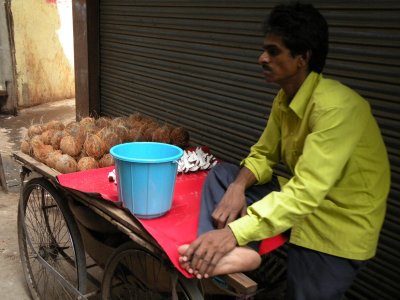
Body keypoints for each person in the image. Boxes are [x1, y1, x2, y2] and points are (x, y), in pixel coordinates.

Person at [178, 2, 391, 299]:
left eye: (273, 51)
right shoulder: (285, 99)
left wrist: (232, 233)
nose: (262, 58)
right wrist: (238, 187)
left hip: (336, 222)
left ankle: (227, 247)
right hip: (302, 200)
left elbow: (305, 193)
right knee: (225, 175)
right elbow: (264, 154)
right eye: (264, 49)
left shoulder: (337, 108)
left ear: (302, 58)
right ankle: (231, 256)